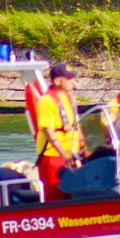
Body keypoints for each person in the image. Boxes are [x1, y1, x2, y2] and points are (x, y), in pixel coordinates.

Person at [34, 63, 83, 201]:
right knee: (56, 194)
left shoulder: (69, 99)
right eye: (69, 78)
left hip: (72, 156)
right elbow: (49, 132)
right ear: (57, 81)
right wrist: (64, 155)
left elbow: (76, 126)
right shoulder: (47, 101)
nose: (73, 80)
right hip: (53, 157)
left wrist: (84, 148)